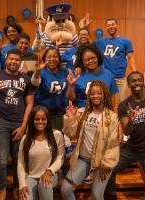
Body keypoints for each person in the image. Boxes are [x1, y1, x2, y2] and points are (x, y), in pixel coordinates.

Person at [0, 49, 36, 200]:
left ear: (20, 62)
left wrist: (24, 125)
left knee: (18, 158)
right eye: (11, 59)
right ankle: (1, 188)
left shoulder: (26, 79)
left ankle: (16, 187)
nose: (13, 62)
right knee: (1, 159)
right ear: (6, 60)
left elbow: (29, 104)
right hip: (1, 122)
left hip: (19, 123)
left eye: (16, 60)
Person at [61, 80, 119, 200]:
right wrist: (71, 117)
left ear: (105, 95)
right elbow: (71, 134)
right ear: (89, 95)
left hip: (102, 162)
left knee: (97, 195)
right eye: (92, 93)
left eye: (99, 93)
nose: (95, 96)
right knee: (66, 189)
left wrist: (106, 166)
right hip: (83, 159)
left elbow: (113, 144)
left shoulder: (112, 117)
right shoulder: (82, 113)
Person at [104, 71, 145, 200]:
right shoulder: (124, 105)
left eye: (139, 79)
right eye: (133, 80)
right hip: (132, 148)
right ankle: (111, 196)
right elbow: (126, 131)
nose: (137, 83)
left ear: (143, 82)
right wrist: (131, 119)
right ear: (128, 84)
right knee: (109, 170)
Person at [18, 105, 65, 200]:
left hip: (51, 175)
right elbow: (20, 163)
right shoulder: (26, 139)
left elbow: (61, 157)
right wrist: (22, 185)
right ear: (32, 121)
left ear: (48, 120)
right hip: (31, 176)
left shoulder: (57, 135)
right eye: (37, 119)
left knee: (44, 184)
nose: (40, 122)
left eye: (43, 119)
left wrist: (49, 171)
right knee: (24, 198)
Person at [94, 18, 136, 103]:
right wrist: (85, 27)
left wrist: (135, 73)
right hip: (105, 78)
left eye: (113, 24)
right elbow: (86, 44)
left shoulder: (125, 41)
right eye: (108, 25)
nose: (111, 27)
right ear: (106, 28)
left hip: (120, 78)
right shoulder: (100, 42)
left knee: (124, 104)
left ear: (117, 26)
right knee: (104, 104)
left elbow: (131, 58)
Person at [66, 43, 118, 108]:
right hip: (82, 112)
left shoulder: (108, 74)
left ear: (98, 57)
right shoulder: (77, 75)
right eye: (87, 60)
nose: (91, 61)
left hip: (103, 112)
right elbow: (71, 99)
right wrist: (71, 86)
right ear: (82, 62)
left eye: (93, 58)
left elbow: (113, 96)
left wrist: (113, 113)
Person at [34, 47, 69, 131]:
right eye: (49, 57)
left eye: (55, 56)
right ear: (44, 59)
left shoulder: (65, 71)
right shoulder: (41, 72)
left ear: (59, 59)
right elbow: (34, 84)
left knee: (58, 139)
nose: (52, 59)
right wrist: (37, 71)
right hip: (43, 113)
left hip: (60, 112)